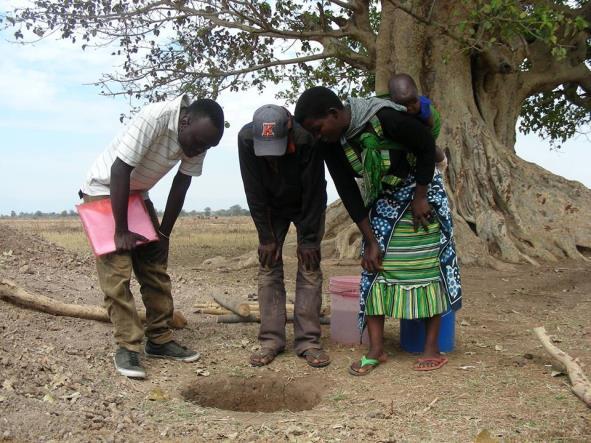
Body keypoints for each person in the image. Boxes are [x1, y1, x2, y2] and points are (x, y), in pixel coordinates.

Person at [294, 87, 462, 374]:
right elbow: (347, 189)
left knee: (427, 265)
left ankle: (432, 348)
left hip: (421, 191)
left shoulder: (385, 118)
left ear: (334, 114)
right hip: (384, 197)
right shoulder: (330, 144)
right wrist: (370, 239)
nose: (317, 137)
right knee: (374, 267)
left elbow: (424, 145)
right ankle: (376, 350)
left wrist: (421, 198)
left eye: (318, 128)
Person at [79, 95, 225, 379]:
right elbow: (119, 169)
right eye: (196, 143)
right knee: (117, 273)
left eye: (205, 147)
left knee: (154, 267)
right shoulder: (154, 118)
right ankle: (127, 346)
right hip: (104, 190)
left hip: (136, 194)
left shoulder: (202, 136)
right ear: (185, 121)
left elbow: (181, 183)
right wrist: (120, 230)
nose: (198, 150)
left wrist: (164, 232)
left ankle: (158, 339)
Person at [238, 104, 330, 368]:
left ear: (289, 127)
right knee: (268, 265)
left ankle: (308, 341)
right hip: (271, 206)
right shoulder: (246, 140)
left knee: (310, 266)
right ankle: (271, 340)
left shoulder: (306, 139)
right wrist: (266, 237)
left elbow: (315, 191)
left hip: (305, 204)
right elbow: (253, 190)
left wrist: (309, 238)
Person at [388, 73, 447, 170]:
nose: (410, 107)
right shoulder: (393, 110)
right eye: (404, 104)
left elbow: (430, 126)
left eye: (414, 101)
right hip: (413, 126)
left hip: (429, 128)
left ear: (417, 94)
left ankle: (442, 162)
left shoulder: (424, 107)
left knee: (428, 148)